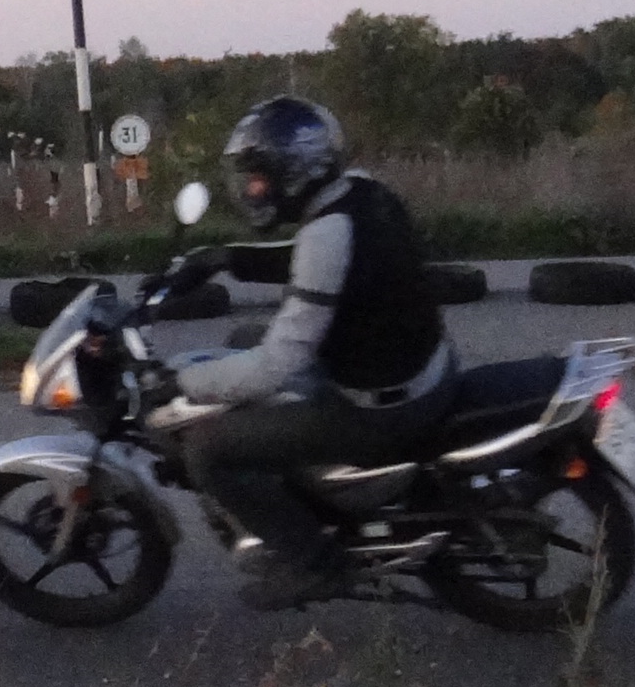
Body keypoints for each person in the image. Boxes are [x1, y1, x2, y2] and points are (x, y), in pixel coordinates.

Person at [165, 94, 457, 606]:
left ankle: (314, 564)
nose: (251, 189)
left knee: (207, 450)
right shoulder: (364, 192)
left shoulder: (327, 233)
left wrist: (182, 383)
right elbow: (317, 257)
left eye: (259, 177)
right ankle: (306, 496)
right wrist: (224, 259)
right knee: (243, 339)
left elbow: (277, 365)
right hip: (425, 368)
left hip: (378, 410)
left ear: (295, 172)